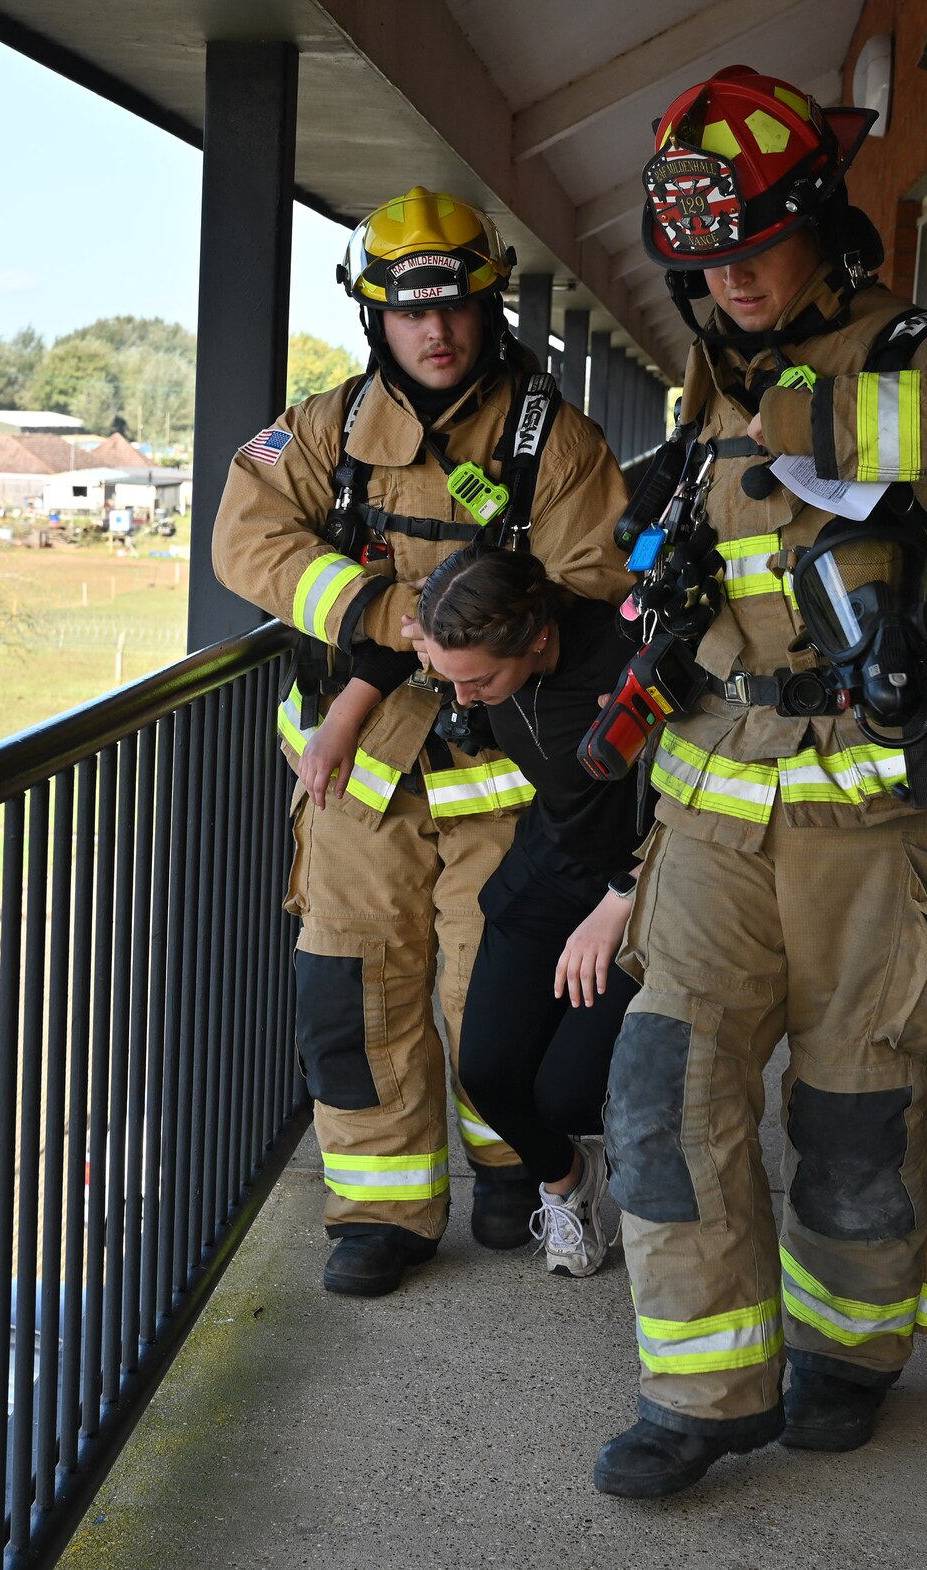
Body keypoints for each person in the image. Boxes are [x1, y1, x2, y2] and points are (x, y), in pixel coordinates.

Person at [590, 67, 927, 1498]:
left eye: (755, 243)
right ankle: (700, 1391)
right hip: (714, 812)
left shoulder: (912, 359)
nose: (731, 276)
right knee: (661, 1087)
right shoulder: (715, 381)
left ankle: (854, 1351)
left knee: (855, 1115)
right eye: (707, 259)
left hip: (886, 824)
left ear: (822, 223)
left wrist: (825, 426)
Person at [211, 187, 630, 1297]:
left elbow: (592, 586)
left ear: (488, 304)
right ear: (373, 316)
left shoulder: (558, 444)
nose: (433, 333)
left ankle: (508, 1167)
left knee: (489, 988)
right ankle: (382, 1209)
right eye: (406, 312)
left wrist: (469, 618)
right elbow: (246, 536)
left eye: (452, 308)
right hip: (354, 786)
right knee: (356, 994)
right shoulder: (321, 432)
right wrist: (375, 610)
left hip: (499, 779)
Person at [403, 544, 649, 1280]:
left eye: (477, 680)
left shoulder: (626, 658)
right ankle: (568, 1181)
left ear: (534, 635)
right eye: (452, 679)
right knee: (486, 1071)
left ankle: (613, 1162)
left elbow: (697, 797)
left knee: (567, 1092)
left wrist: (624, 901)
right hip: (550, 866)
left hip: (645, 879)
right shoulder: (477, 666)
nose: (466, 698)